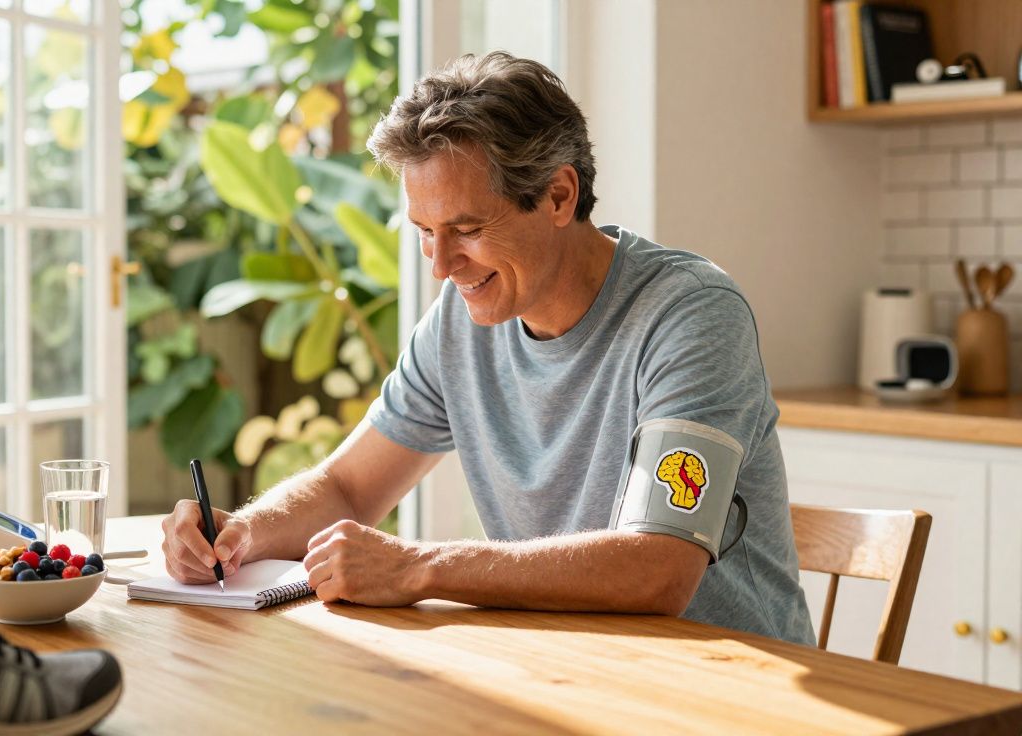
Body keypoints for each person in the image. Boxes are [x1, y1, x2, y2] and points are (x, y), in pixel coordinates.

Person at [161, 51, 815, 644]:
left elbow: (659, 567)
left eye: (467, 229)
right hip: (564, 669)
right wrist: (243, 533)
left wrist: (421, 567)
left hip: (730, 687)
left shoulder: (688, 314)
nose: (442, 266)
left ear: (559, 195)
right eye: (423, 231)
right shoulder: (460, 321)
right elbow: (347, 487)